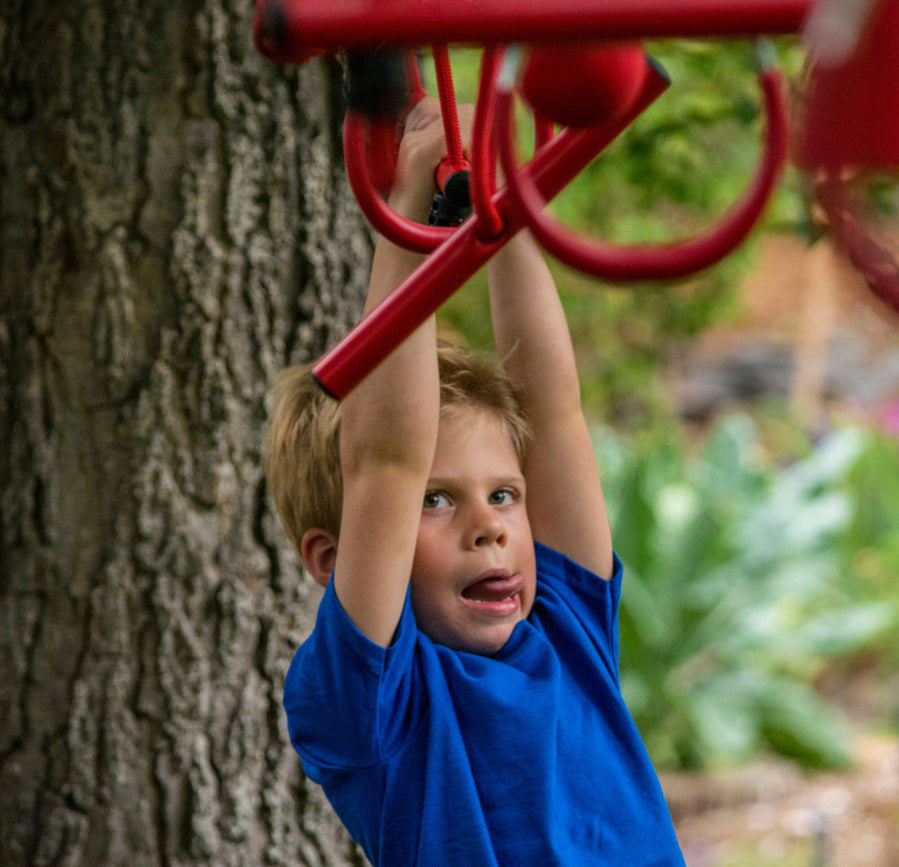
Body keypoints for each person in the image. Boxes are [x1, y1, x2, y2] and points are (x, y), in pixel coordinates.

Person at [265, 97, 685, 866]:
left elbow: (552, 413)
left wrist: (504, 211)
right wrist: (408, 219)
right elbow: (383, 457)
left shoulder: (567, 631)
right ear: (332, 560)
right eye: (435, 499)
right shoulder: (376, 707)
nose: (488, 525)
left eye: (503, 494)